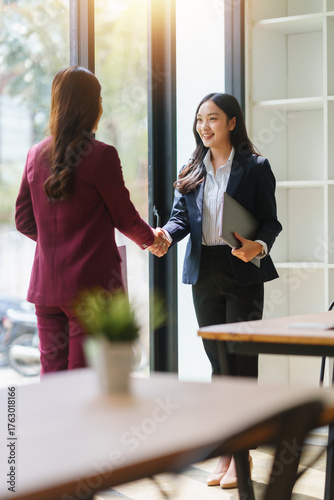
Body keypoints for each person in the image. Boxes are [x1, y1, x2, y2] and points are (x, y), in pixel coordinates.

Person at [152, 92, 282, 489]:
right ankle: (230, 448)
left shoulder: (256, 167)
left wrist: (257, 246)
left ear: (232, 122)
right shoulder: (192, 168)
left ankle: (239, 453)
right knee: (217, 363)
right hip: (204, 271)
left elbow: (270, 222)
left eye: (212, 119)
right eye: (199, 120)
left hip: (241, 269)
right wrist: (165, 238)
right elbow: (179, 219)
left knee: (241, 364)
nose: (204, 127)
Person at [15, 66, 167, 375]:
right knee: (84, 381)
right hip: (91, 291)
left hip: (47, 289)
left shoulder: (34, 155)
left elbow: (23, 220)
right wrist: (153, 240)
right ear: (91, 106)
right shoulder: (101, 155)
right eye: (98, 98)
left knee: (54, 379)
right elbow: (124, 216)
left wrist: (54, 243)